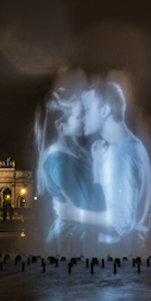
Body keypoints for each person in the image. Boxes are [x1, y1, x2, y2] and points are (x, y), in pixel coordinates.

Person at [54, 79, 151, 255]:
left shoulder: (121, 154)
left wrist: (73, 213)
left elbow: (119, 222)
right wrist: (98, 168)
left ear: (105, 110)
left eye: (88, 109)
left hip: (117, 258)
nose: (82, 117)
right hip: (126, 257)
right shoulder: (130, 147)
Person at [35, 87, 106, 255]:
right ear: (60, 125)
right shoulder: (59, 160)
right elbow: (91, 207)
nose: (84, 119)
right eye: (79, 115)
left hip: (77, 239)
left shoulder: (71, 151)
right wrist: (98, 168)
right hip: (71, 241)